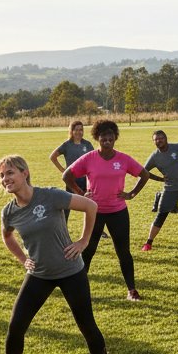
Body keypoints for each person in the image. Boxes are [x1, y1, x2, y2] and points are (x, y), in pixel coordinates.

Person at [0, 156, 116, 354]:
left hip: (71, 271)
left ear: (24, 173)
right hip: (39, 274)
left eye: (10, 173)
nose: (5, 179)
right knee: (16, 326)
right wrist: (23, 259)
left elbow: (91, 206)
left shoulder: (49, 195)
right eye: (2, 175)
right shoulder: (8, 212)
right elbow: (7, 236)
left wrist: (83, 241)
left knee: (87, 325)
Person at [63, 119, 149, 300]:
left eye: (110, 138)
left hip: (118, 212)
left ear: (115, 138)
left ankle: (131, 290)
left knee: (123, 252)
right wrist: (80, 193)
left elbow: (144, 174)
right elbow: (67, 175)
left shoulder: (123, 159)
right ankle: (79, 290)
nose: (107, 141)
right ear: (98, 138)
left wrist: (131, 194)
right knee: (88, 250)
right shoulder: (89, 158)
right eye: (104, 138)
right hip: (94, 212)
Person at [49, 119, 94, 218]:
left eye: (81, 130)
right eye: (76, 130)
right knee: (67, 206)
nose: (79, 132)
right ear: (71, 131)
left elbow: (94, 160)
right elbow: (52, 157)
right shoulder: (67, 145)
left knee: (90, 204)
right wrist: (63, 170)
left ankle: (95, 227)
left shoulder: (87, 144)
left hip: (86, 180)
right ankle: (63, 227)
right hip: (71, 180)